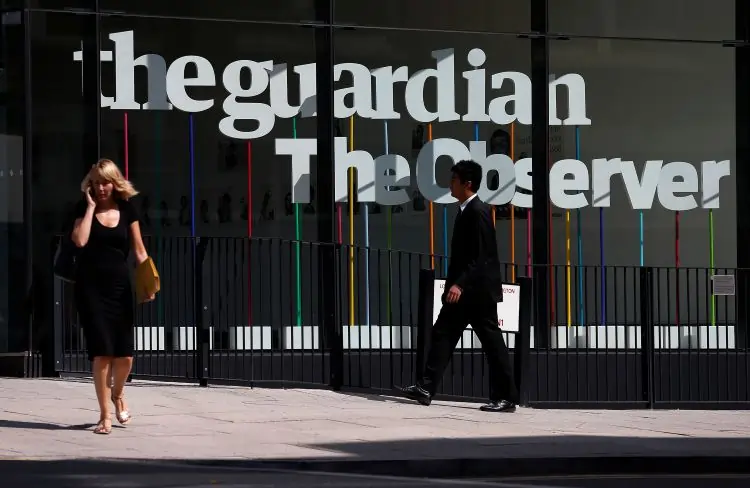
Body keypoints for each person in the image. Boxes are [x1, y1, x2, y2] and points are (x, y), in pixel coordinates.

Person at [400, 160, 519, 412]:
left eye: (453, 180)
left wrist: (459, 285)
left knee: (492, 343)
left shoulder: (478, 211)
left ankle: (506, 397)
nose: (449, 185)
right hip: (465, 292)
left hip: (476, 294)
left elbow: (481, 256)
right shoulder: (466, 210)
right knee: (442, 334)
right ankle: (425, 388)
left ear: (467, 183)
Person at [71, 159, 154, 435]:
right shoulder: (83, 209)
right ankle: (105, 415)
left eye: (105, 182)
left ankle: (118, 393)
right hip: (90, 288)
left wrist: (149, 282)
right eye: (95, 182)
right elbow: (80, 241)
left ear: (114, 183)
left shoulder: (127, 209)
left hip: (119, 288)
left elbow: (140, 251)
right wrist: (91, 207)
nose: (101, 187)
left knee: (125, 356)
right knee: (102, 354)